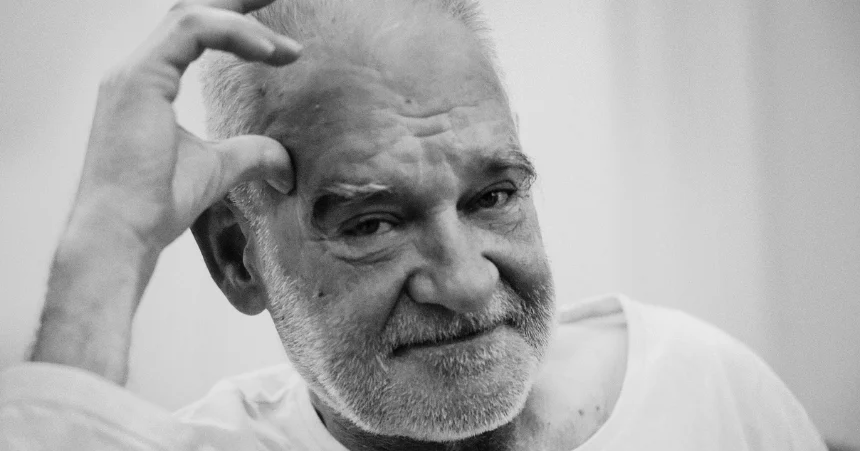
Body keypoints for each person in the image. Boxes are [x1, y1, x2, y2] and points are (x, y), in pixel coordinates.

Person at [0, 0, 828, 449]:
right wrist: (108, 241)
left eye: (493, 195)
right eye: (372, 223)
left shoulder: (706, 389)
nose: (466, 281)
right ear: (236, 257)